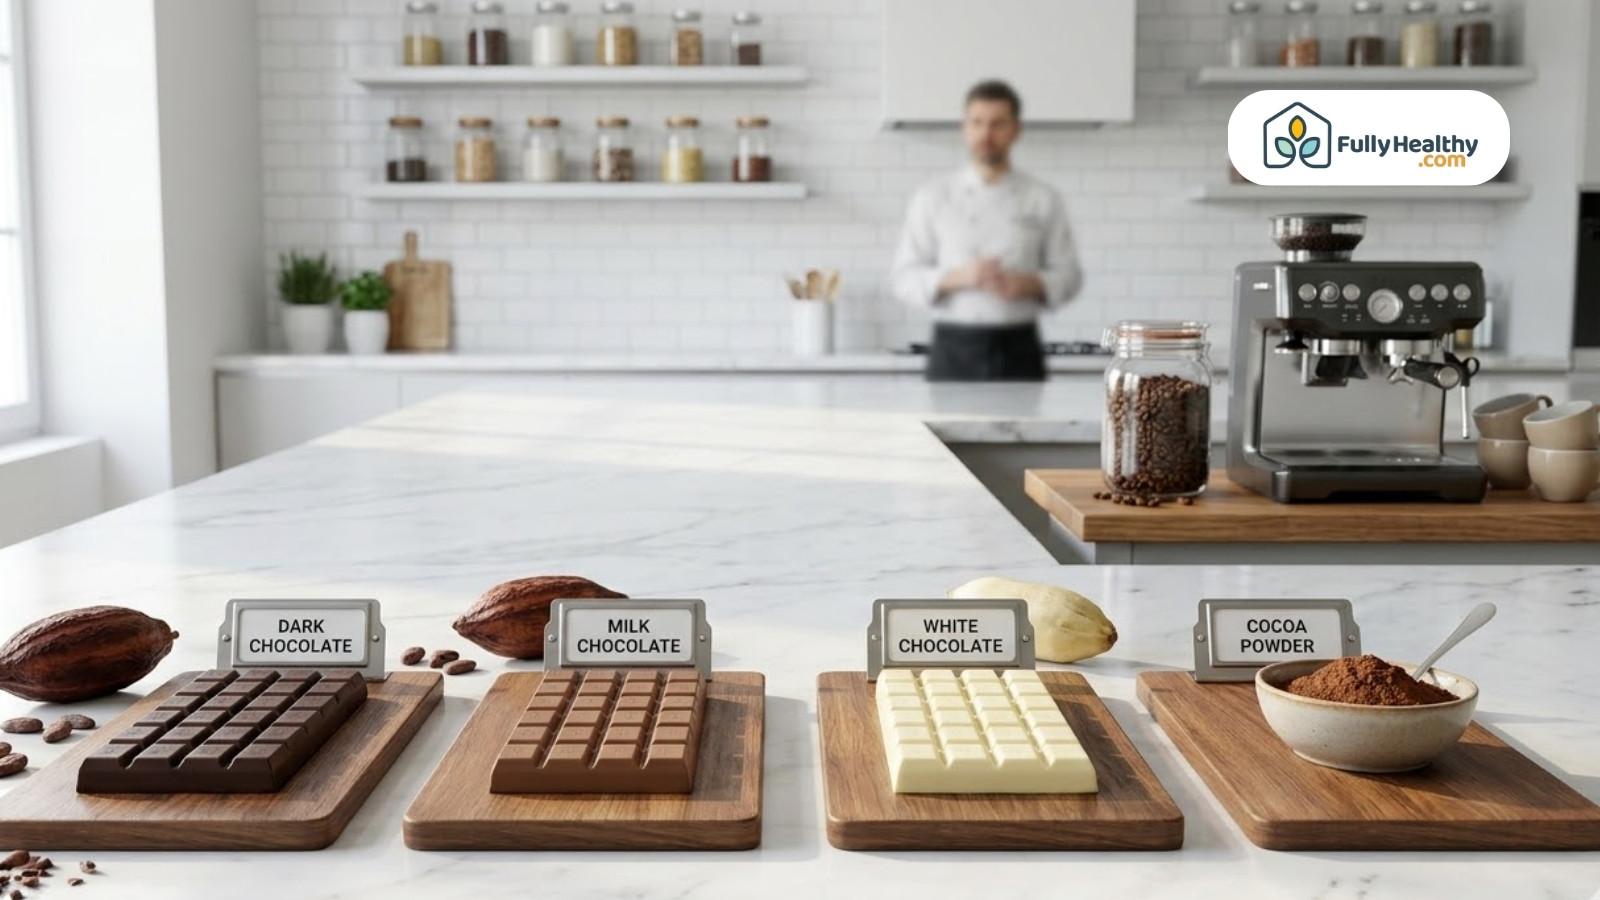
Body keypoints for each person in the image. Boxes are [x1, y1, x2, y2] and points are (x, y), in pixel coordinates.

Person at [891, 79, 1083, 381]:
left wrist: (1030, 284)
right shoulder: (933, 196)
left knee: (1027, 429)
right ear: (964, 128)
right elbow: (904, 278)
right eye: (977, 122)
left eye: (998, 124)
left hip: (1020, 347)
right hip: (952, 349)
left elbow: (1070, 276)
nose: (986, 134)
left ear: (1016, 130)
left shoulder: (1042, 198)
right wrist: (959, 276)